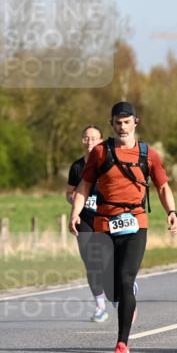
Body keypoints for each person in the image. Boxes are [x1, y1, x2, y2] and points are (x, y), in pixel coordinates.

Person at [70, 102, 177, 353]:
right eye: (118, 122)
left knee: (125, 278)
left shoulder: (148, 154)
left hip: (135, 222)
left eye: (127, 122)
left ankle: (122, 344)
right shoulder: (99, 152)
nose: (122, 126)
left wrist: (172, 212)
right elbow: (84, 184)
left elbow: (163, 187)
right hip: (104, 222)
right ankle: (121, 293)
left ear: (135, 123)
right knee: (110, 288)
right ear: (112, 124)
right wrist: (75, 212)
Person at [66, 125, 114, 321]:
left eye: (94, 138)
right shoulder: (77, 167)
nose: (90, 142)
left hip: (105, 218)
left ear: (101, 141)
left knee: (105, 262)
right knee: (91, 263)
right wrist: (74, 199)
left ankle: (121, 288)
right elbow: (69, 192)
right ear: (82, 141)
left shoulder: (108, 164)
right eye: (86, 138)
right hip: (84, 218)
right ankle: (100, 306)